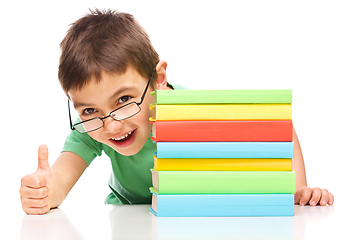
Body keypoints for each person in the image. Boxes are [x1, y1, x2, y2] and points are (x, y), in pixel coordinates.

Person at [19, 9, 334, 215]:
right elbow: (61, 178)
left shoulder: (191, 113)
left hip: (186, 217)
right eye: (90, 109)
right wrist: (46, 190)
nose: (112, 124)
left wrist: (296, 190)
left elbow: (277, 128)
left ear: (157, 79)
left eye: (123, 99)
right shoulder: (93, 128)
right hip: (127, 220)